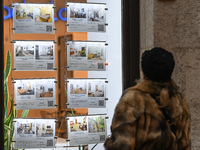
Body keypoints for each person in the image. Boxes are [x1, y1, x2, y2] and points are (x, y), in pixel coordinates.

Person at [104, 47, 191, 150]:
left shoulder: (133, 99)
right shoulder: (179, 100)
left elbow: (122, 145)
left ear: (144, 73)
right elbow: (184, 144)